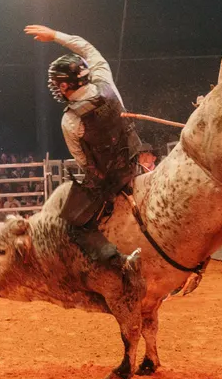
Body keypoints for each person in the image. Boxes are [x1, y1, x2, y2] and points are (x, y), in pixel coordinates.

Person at [24, 24, 141, 267]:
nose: (56, 87)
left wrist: (98, 177)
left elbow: (83, 160)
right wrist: (55, 35)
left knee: (72, 223)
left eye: (58, 83)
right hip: (133, 159)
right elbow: (87, 47)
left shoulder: (71, 120)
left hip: (109, 179)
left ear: (66, 86)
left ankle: (115, 263)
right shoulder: (105, 81)